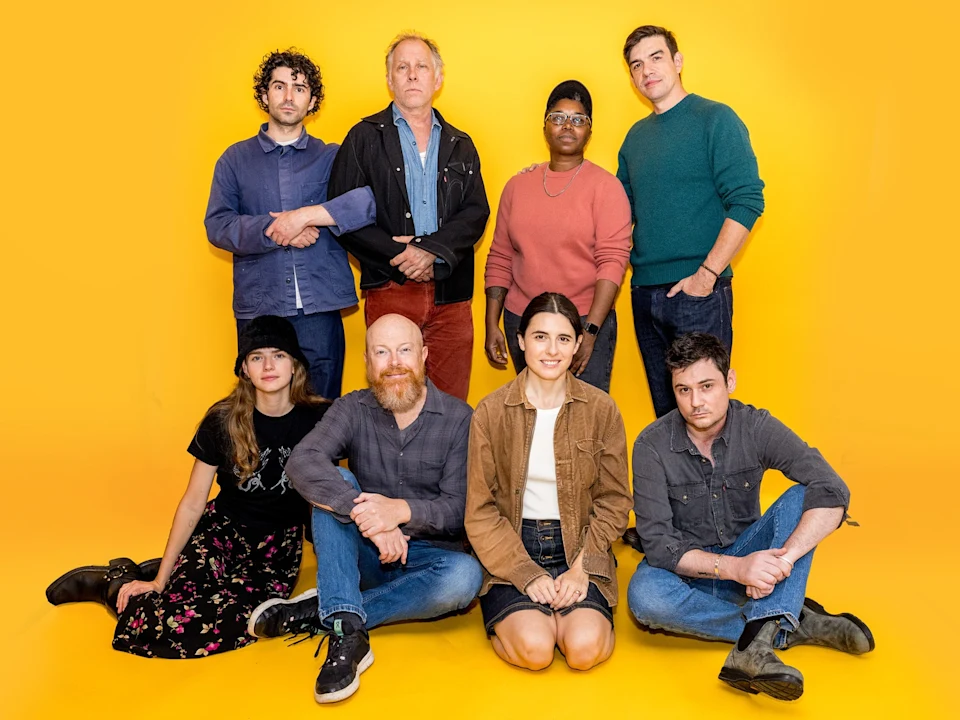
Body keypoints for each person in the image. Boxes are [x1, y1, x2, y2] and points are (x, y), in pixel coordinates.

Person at [44, 316, 330, 659]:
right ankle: (114, 584)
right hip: (221, 534)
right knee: (163, 618)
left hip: (274, 551)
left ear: (295, 364)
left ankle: (159, 567)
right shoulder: (223, 420)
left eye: (279, 355)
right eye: (256, 357)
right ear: (244, 370)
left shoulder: (321, 420)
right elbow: (194, 503)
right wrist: (160, 581)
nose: (268, 365)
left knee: (242, 620)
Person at [247, 314, 483, 703]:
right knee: (338, 483)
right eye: (382, 352)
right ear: (368, 361)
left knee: (465, 578)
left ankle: (331, 609)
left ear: (423, 355)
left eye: (405, 350)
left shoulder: (460, 419)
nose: (394, 363)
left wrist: (400, 512)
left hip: (426, 563)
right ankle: (347, 632)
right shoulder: (352, 408)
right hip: (361, 555)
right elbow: (302, 462)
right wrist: (369, 518)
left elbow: (460, 509)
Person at [627, 333, 874, 700]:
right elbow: (661, 547)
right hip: (688, 571)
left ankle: (752, 648)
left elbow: (832, 486)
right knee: (645, 597)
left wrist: (782, 561)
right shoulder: (651, 445)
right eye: (683, 390)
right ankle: (786, 623)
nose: (695, 402)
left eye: (706, 386)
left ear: (729, 382)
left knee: (804, 496)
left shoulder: (756, 427)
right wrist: (735, 571)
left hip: (754, 561)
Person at [465, 292, 631, 671]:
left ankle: (577, 616)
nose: (551, 350)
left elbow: (615, 501)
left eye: (563, 339)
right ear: (521, 342)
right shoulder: (490, 412)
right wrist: (524, 572)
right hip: (512, 547)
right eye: (540, 337)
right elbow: (480, 510)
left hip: (580, 546)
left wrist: (584, 565)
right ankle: (528, 616)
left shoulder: (602, 409)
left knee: (583, 650)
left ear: (577, 346)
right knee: (537, 651)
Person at [205, 49, 376, 400]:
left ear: (312, 100)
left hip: (319, 307)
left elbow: (366, 203)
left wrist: (304, 216)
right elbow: (218, 225)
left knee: (322, 412)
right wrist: (277, 232)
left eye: (299, 88)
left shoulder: (333, 157)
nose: (288, 96)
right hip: (261, 304)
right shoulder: (234, 159)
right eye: (279, 86)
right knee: (261, 414)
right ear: (264, 94)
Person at [328, 32, 490, 401]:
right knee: (393, 398)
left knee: (451, 404)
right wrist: (400, 257)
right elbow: (342, 213)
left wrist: (430, 250)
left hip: (452, 293)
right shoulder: (363, 137)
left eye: (421, 66)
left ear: (438, 77)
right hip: (390, 287)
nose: (413, 75)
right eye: (402, 67)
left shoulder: (461, 143)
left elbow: (476, 212)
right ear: (389, 79)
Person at [617, 25, 765, 417]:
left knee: (705, 415)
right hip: (645, 294)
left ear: (678, 61)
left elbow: (748, 200)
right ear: (631, 78)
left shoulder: (715, 119)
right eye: (636, 65)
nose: (646, 70)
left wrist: (706, 276)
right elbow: (615, 211)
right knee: (667, 419)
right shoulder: (634, 138)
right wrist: (555, 173)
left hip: (699, 293)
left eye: (656, 57)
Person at [484, 82, 631, 393]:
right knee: (532, 417)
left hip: (583, 320)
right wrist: (491, 324)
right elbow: (500, 256)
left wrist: (589, 332)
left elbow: (613, 263)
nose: (568, 125)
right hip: (523, 321)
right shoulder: (517, 187)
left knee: (585, 425)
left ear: (589, 131)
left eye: (578, 119)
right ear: (545, 126)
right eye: (558, 117)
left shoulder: (606, 188)